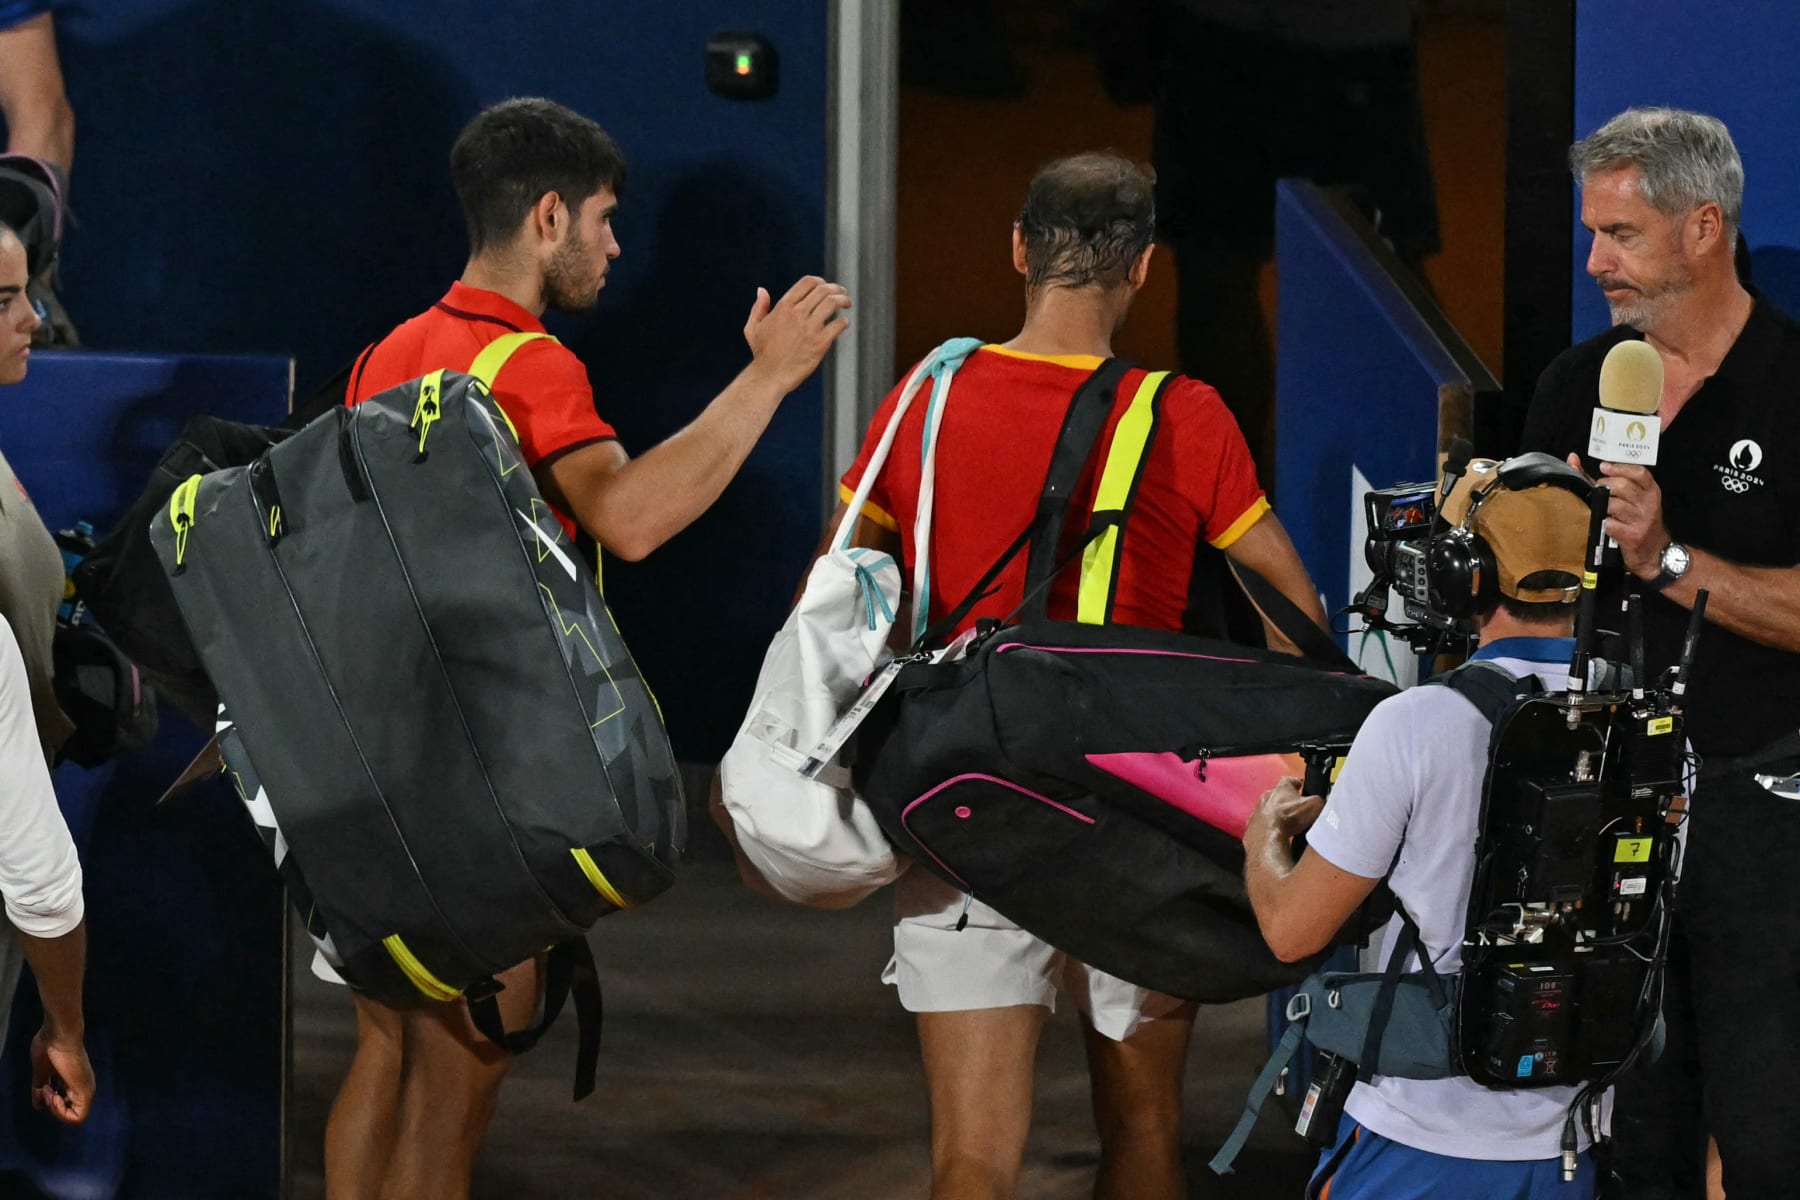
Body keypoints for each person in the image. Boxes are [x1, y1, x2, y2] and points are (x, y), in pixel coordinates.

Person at [330, 97, 850, 1200]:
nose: (618, 247)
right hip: (486, 791)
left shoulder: (384, 353)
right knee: (458, 1086)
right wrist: (768, 378)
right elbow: (632, 517)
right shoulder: (531, 366)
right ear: (550, 217)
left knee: (384, 1051)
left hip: (368, 774)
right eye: (608, 221)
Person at [831, 152, 1329, 1200]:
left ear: (1019, 248)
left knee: (970, 1160)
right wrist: (1284, 773)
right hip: (1136, 821)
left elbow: (837, 592)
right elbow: (1296, 616)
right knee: (1143, 1138)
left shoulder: (923, 401)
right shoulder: (1183, 414)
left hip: (963, 801)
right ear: (1144, 268)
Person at [1519, 106, 1800, 1200]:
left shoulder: (1792, 386)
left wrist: (1668, 558)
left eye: (1621, 236)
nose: (1595, 263)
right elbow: (1529, 604)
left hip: (1764, 812)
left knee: (1771, 1137)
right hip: (1603, 811)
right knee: (1629, 1140)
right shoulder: (1574, 385)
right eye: (1592, 235)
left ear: (1704, 229)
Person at [1242, 456, 1599, 1198]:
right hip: (1571, 1151)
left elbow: (1291, 932)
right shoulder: (1655, 733)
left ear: (1459, 575)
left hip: (1415, 1147)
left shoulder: (1414, 724)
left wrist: (1262, 842)